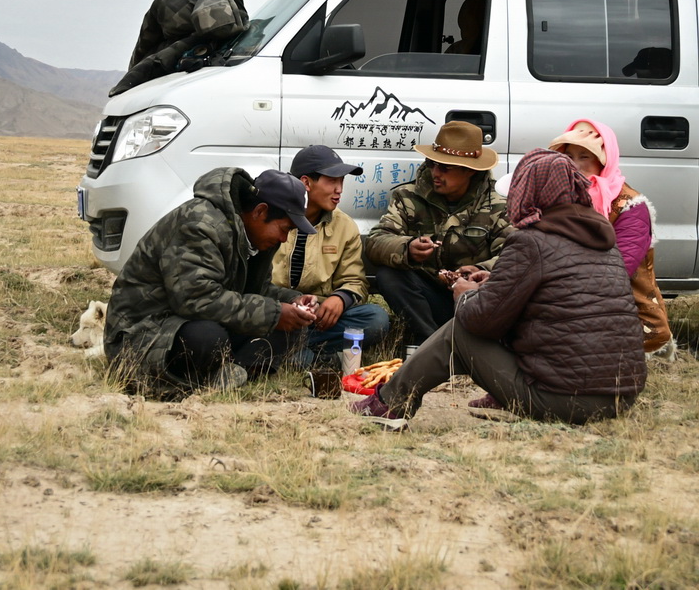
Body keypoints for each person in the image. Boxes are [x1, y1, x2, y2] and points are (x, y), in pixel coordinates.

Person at [349, 148, 647, 431]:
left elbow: (480, 321)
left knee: (458, 332)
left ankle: (390, 403)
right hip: (621, 398)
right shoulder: (603, 243)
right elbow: (557, 300)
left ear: (532, 193)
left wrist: (465, 293)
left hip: (564, 401)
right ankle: (503, 396)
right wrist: (494, 280)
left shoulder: (531, 241)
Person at [104, 167, 319, 399]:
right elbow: (196, 300)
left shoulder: (254, 237)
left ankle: (229, 372)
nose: (284, 239)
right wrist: (275, 313)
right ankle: (217, 372)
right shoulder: (200, 224)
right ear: (260, 211)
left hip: (196, 319)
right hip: (145, 331)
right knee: (208, 338)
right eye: (284, 229)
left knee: (289, 326)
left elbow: (258, 290)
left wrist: (293, 302)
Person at [365, 121, 512, 346]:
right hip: (427, 296)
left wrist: (480, 270)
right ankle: (430, 343)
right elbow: (376, 241)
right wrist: (408, 248)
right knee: (389, 275)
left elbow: (513, 256)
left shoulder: (497, 206)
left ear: (469, 171)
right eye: (432, 164)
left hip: (475, 298)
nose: (435, 173)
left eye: (445, 168)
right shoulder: (408, 197)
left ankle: (474, 343)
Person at [549, 118, 674, 357]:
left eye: (584, 156)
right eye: (569, 156)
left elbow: (618, 271)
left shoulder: (631, 206)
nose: (574, 165)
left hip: (621, 305)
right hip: (568, 295)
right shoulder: (560, 196)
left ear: (605, 160)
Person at [272, 145, 390, 366]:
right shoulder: (273, 216)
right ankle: (306, 355)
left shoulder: (344, 225)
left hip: (318, 320)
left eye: (341, 181)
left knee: (376, 319)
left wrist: (340, 299)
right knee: (287, 347)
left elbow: (355, 281)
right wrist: (286, 305)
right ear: (306, 183)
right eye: (332, 181)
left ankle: (297, 351)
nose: (339, 190)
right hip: (277, 313)